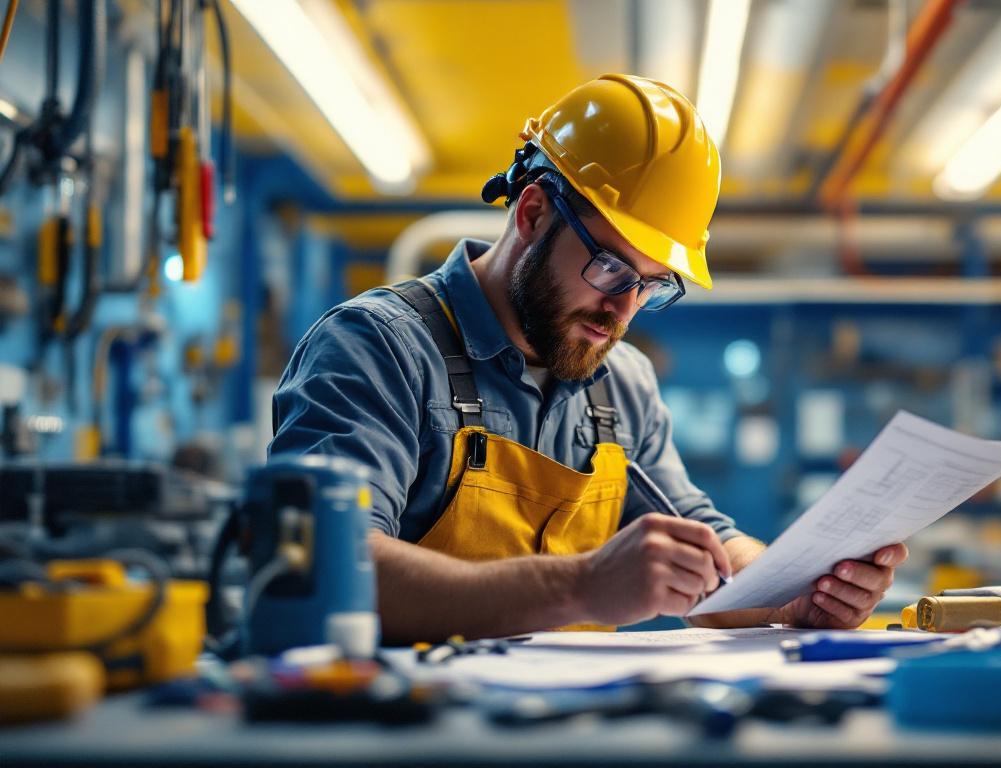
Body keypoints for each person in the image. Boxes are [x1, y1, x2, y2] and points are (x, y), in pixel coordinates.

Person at [270, 74, 908, 641]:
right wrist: (578, 587)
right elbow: (325, 566)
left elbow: (700, 542)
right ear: (533, 211)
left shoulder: (621, 382)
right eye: (611, 267)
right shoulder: (377, 348)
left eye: (653, 284)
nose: (624, 310)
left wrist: (791, 593)